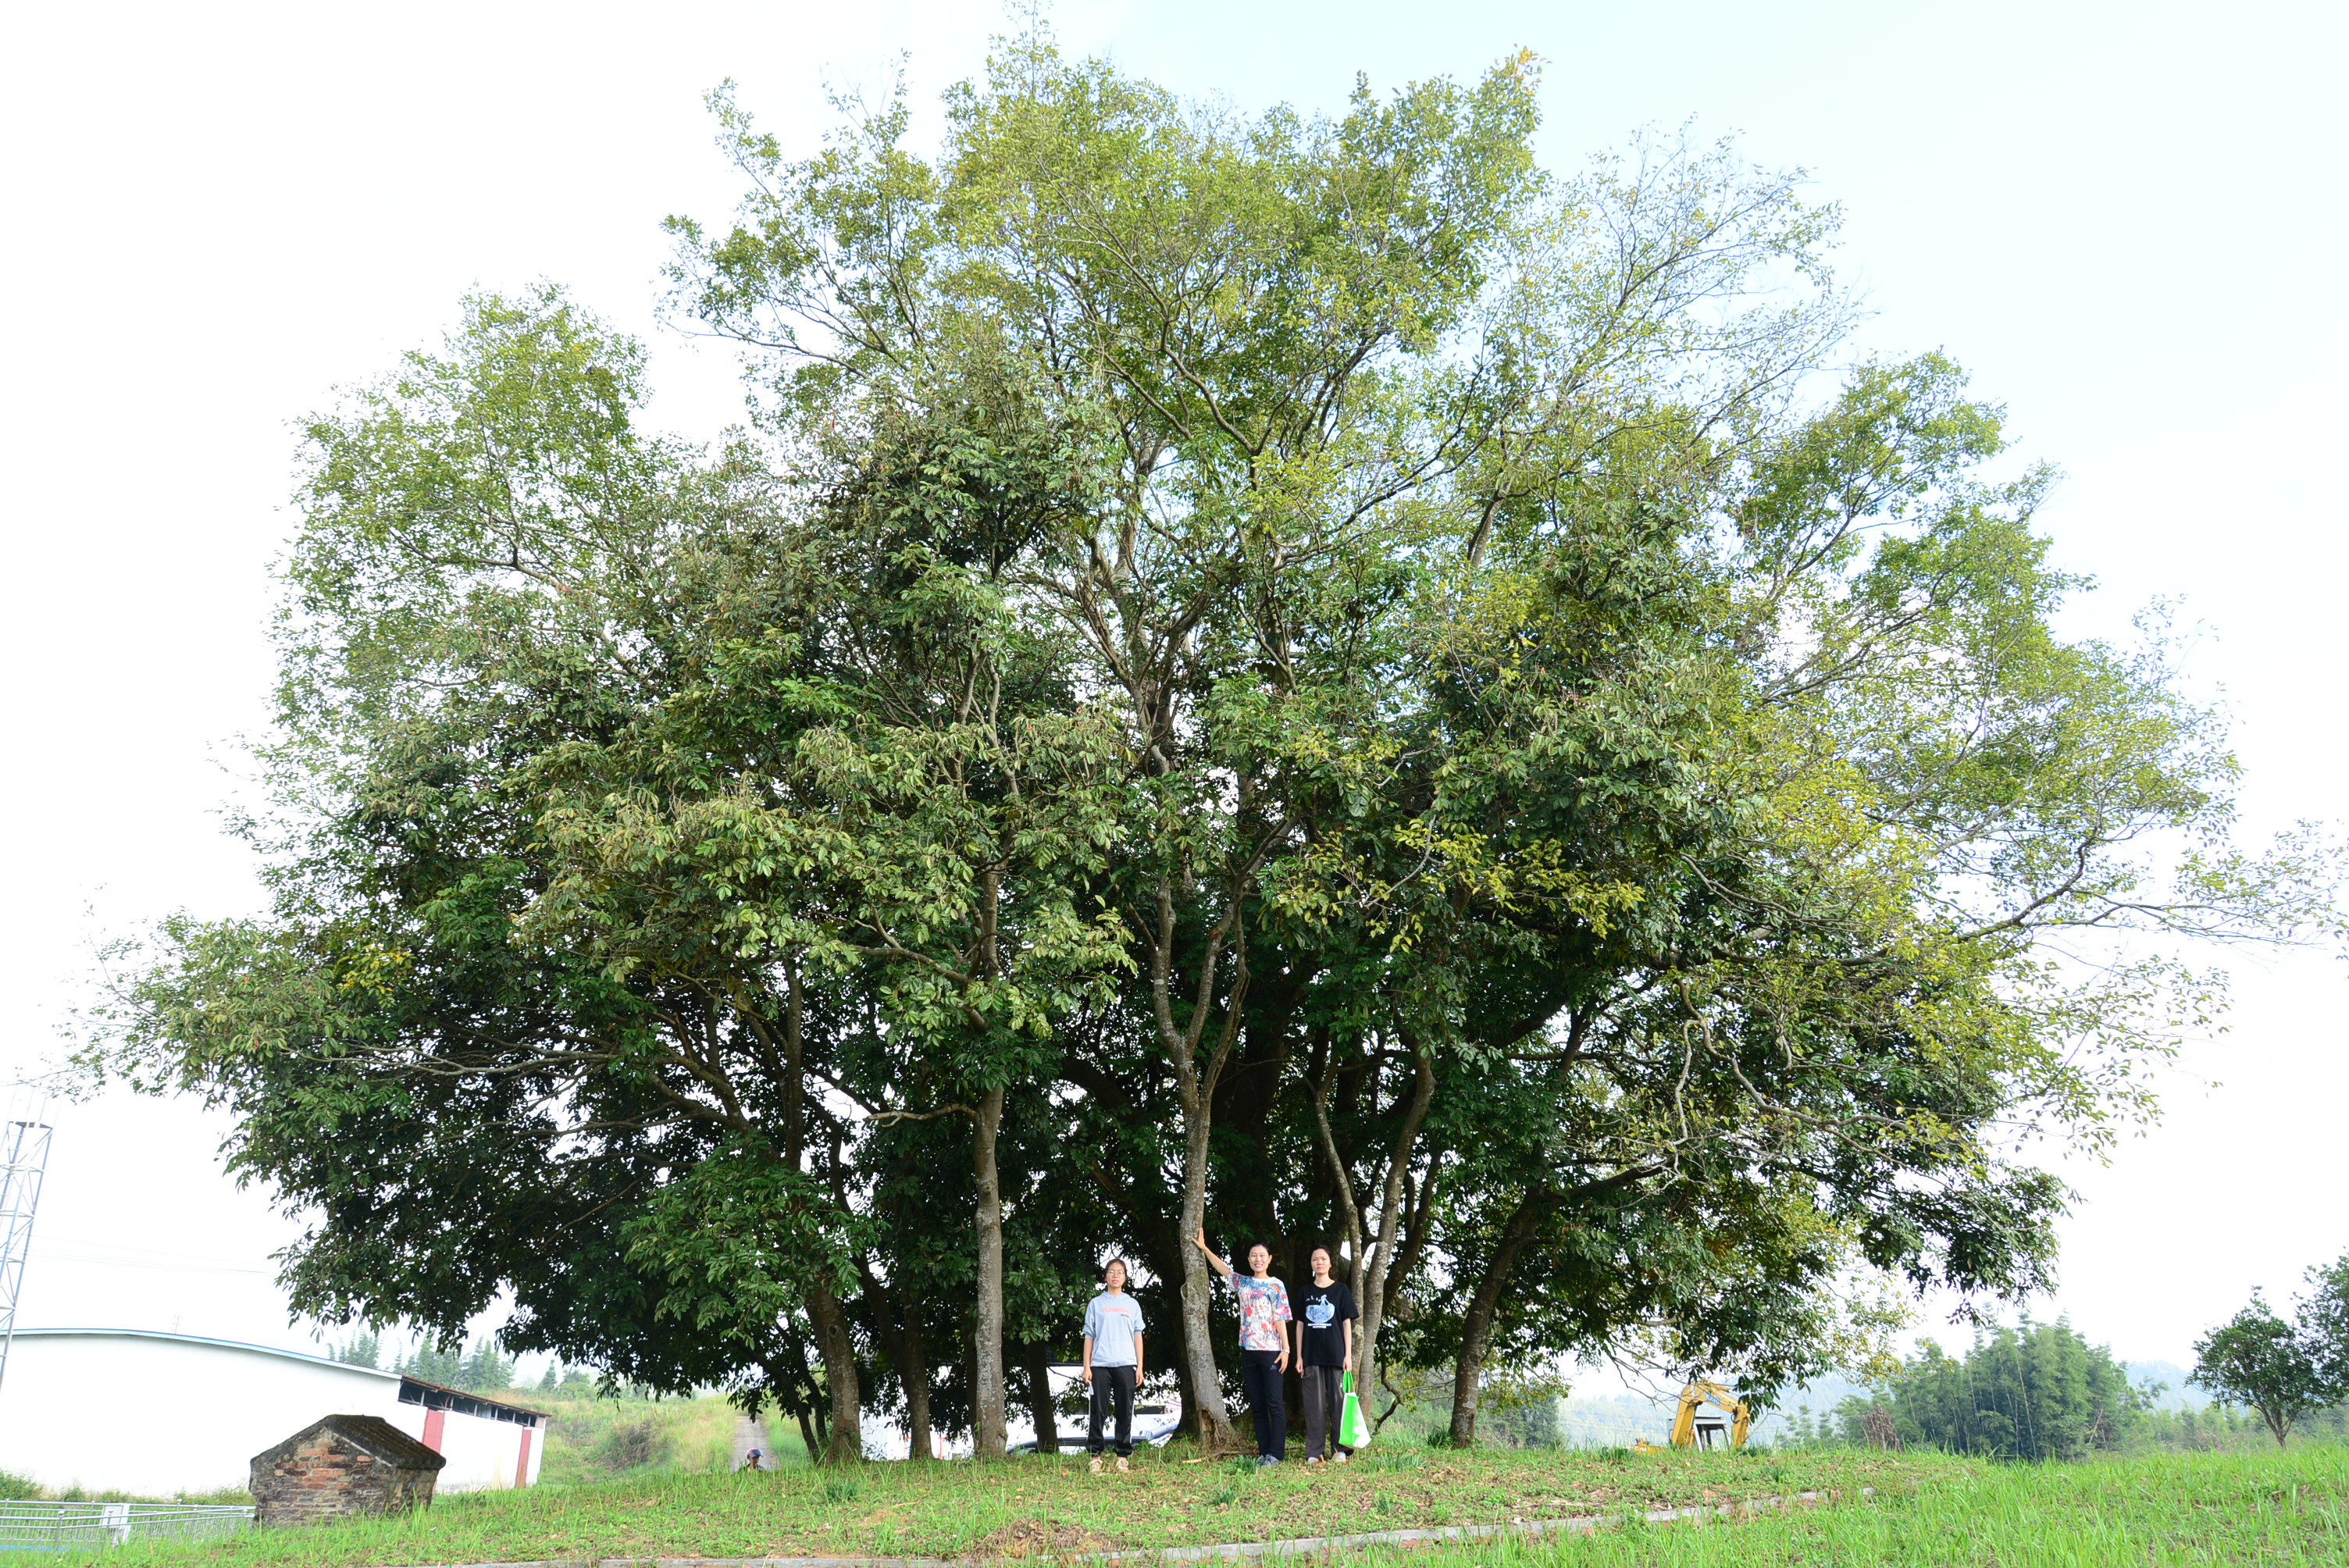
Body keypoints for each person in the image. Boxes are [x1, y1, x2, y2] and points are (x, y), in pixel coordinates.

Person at [1191, 1229, 1290, 1464]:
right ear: (1248, 1259)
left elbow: (1280, 1319)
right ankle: (1264, 1452)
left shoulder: (1276, 1286)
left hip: (1271, 1352)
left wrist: (1285, 1349)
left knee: (1274, 1403)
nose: (1258, 1259)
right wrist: (1204, 1249)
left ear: (1269, 1259)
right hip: (1249, 1351)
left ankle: (1276, 1454)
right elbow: (1223, 1269)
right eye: (1254, 1255)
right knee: (1257, 1404)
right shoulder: (1243, 1283)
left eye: (1262, 1255)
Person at [1293, 1245, 1357, 1464]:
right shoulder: (1304, 1293)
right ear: (1311, 1264)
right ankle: (1314, 1452)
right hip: (1311, 1356)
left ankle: (1341, 1450)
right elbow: (1300, 1325)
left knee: (1340, 1403)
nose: (1319, 1262)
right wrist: (1299, 1356)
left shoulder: (1341, 1291)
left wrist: (1348, 1355)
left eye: (1323, 1259)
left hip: (1337, 1355)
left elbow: (1346, 1324)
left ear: (1330, 1263)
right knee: (1314, 1406)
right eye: (1315, 1259)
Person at [1082, 1256, 1146, 1474]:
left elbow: (1138, 1336)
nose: (1116, 1275)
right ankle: (1095, 1456)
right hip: (1099, 1365)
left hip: (1126, 1365)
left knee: (1124, 1411)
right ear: (1106, 1276)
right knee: (1098, 1412)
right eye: (1111, 1271)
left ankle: (1122, 1456)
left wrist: (1140, 1367)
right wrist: (1086, 1366)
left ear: (1125, 1277)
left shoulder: (1132, 1305)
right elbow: (1089, 1336)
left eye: (1120, 1272)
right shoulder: (1096, 1304)